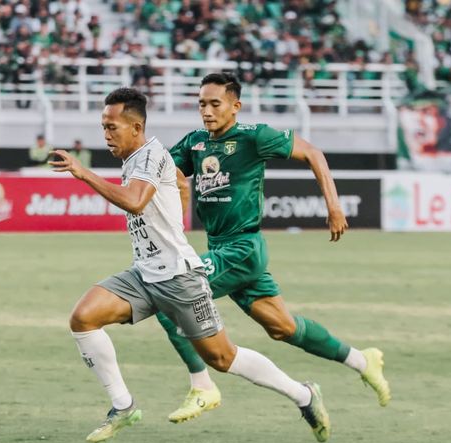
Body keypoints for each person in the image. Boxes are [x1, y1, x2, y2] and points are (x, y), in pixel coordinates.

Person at [50, 87, 330, 443]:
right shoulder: (134, 159)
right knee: (83, 318)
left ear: (135, 128)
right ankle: (123, 405)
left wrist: (81, 171)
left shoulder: (150, 155)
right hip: (144, 273)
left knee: (223, 358)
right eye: (103, 127)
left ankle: (303, 395)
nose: (106, 134)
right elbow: (174, 185)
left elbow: (135, 202)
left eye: (112, 128)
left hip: (180, 277)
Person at [158, 72, 391, 423]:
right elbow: (161, 170)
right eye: (202, 104)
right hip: (223, 250)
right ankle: (361, 361)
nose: (206, 111)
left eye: (215, 104)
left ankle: (202, 386)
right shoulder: (195, 143)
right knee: (283, 328)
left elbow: (313, 153)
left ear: (235, 107)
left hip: (242, 248)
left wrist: (334, 206)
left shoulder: (255, 137)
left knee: (169, 294)